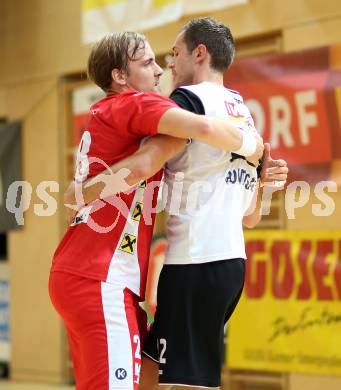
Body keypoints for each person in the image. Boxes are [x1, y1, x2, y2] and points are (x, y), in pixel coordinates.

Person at [64, 19, 288, 390]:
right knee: (147, 374)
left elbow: (145, 162)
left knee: (183, 384)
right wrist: (261, 169)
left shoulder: (189, 101)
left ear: (199, 53)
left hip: (195, 263)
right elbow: (252, 216)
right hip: (229, 263)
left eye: (174, 54)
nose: (167, 65)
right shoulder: (243, 113)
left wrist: (82, 191)